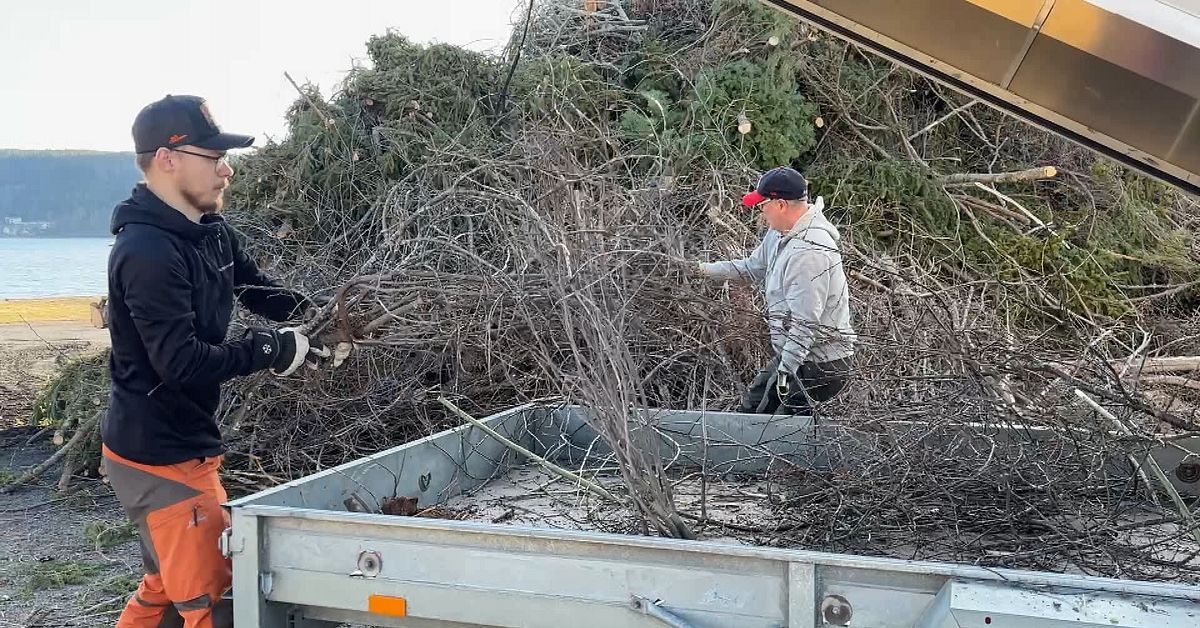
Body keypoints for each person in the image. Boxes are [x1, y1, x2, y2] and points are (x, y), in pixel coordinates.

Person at [102, 94, 322, 628]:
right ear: (167, 159)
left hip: (180, 443)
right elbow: (180, 362)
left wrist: (320, 320)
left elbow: (255, 289)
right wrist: (270, 350)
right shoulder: (147, 252)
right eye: (213, 157)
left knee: (162, 592)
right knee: (211, 604)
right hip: (161, 457)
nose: (226, 170)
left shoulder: (209, 230)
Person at [697, 166, 855, 415]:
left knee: (775, 432)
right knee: (753, 408)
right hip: (797, 356)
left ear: (781, 205)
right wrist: (702, 270)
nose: (760, 211)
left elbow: (805, 323)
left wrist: (784, 372)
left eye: (763, 205)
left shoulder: (809, 252)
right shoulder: (779, 233)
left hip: (822, 365)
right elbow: (751, 268)